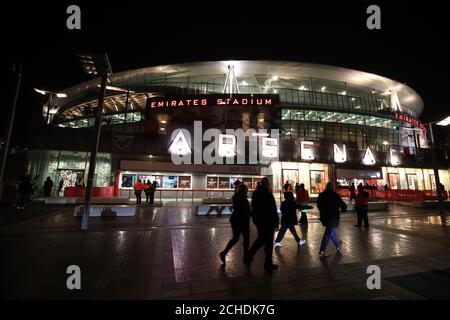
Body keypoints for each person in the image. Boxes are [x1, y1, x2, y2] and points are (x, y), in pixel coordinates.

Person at [246, 177, 280, 272]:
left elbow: (254, 207)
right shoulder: (268, 194)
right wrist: (276, 222)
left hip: (260, 221)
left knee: (263, 240)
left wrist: (255, 220)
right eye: (268, 183)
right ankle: (262, 261)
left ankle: (264, 262)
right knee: (266, 242)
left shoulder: (256, 193)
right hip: (268, 222)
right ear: (266, 184)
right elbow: (272, 209)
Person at [219, 184, 251, 264]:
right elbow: (245, 211)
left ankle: (224, 252)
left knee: (235, 238)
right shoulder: (243, 199)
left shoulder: (236, 197)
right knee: (246, 239)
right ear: (244, 191)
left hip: (235, 220)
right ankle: (246, 255)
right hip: (242, 220)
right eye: (246, 190)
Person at [317, 182, 347, 257]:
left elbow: (318, 205)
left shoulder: (321, 195)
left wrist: (323, 212)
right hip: (333, 218)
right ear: (332, 187)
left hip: (325, 217)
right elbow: (343, 205)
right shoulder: (335, 196)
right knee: (328, 234)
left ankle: (338, 245)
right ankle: (322, 251)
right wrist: (343, 210)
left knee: (331, 232)